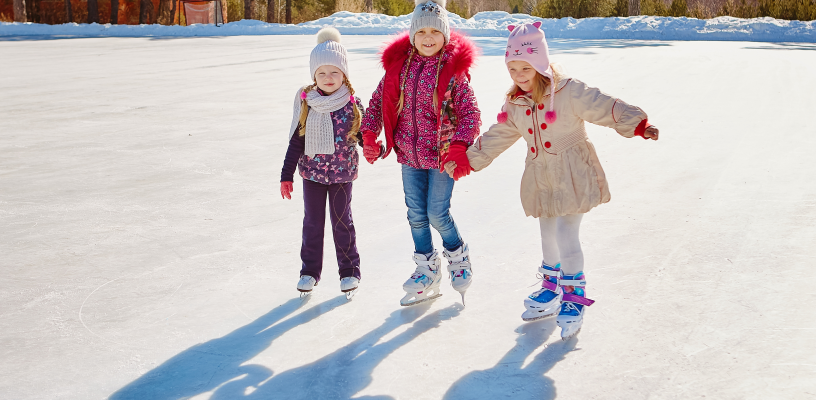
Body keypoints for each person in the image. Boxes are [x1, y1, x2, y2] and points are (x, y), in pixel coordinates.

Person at [444, 21, 659, 339]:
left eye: (525, 66)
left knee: (565, 233)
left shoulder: (568, 91)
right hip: (542, 177)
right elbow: (498, 136)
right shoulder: (516, 103)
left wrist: (638, 124)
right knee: (547, 232)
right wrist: (469, 160)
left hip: (573, 173)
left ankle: (574, 296)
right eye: (512, 67)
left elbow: (603, 105)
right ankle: (552, 286)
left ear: (540, 62)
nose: (518, 74)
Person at [360, 0, 482, 306]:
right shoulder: (398, 68)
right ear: (413, 34)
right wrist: (369, 133)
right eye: (422, 31)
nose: (428, 37)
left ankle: (457, 254)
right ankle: (426, 269)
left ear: (445, 34)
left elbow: (471, 114)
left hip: (441, 158)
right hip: (409, 156)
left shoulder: (453, 71)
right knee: (416, 215)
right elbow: (378, 102)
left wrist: (459, 145)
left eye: (435, 31)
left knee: (436, 213)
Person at [280, 27, 365, 300]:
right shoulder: (308, 104)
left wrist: (375, 148)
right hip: (313, 176)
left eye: (335, 72)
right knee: (313, 224)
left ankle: (349, 271)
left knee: (342, 223)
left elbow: (364, 134)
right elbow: (296, 142)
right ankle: (309, 272)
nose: (328, 78)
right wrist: (286, 175)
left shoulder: (352, 104)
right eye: (322, 73)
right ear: (314, 76)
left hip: (342, 176)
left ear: (344, 74)